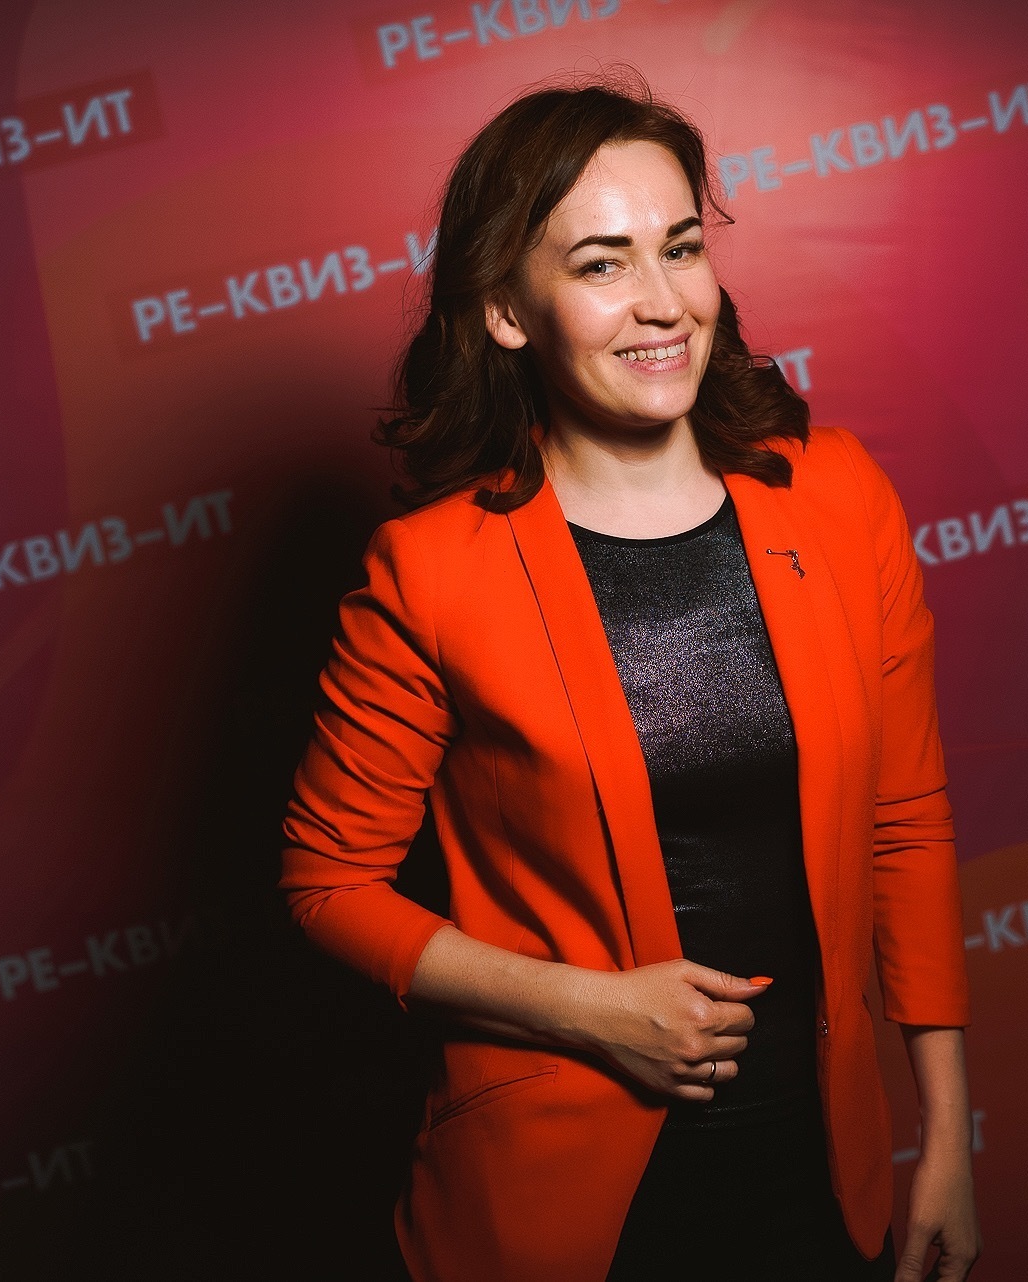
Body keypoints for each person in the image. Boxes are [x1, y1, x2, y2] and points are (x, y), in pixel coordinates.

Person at [279, 70, 979, 1282]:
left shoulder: (839, 493)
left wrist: (949, 1134)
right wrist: (588, 1008)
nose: (663, 303)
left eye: (682, 247)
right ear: (508, 309)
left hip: (821, 1177)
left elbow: (905, 822)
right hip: (558, 1204)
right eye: (602, 264)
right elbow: (326, 883)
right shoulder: (430, 571)